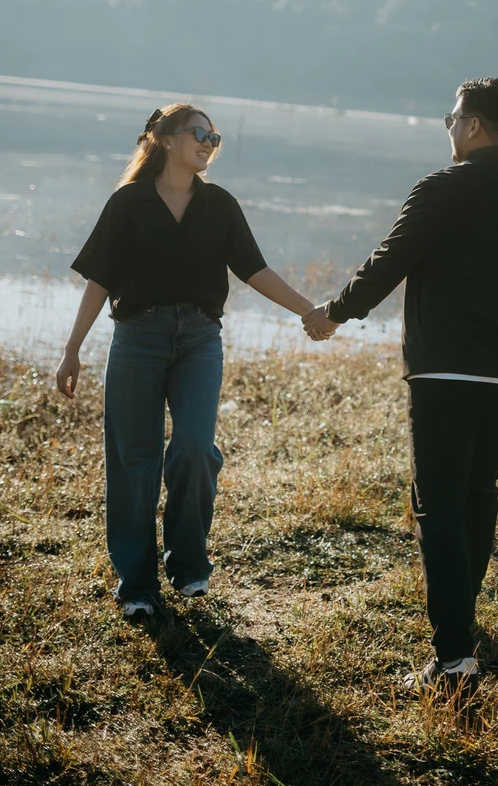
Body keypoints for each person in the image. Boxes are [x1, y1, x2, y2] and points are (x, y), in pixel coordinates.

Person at [303, 76, 498, 697]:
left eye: (453, 117)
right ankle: (462, 631)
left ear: (475, 124)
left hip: (447, 371)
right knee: (477, 493)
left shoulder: (442, 186)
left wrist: (335, 313)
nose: (449, 127)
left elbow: (389, 260)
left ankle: (453, 659)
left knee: (439, 505)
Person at [56, 102, 319, 622]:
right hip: (138, 338)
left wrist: (310, 311)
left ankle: (188, 565)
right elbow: (99, 280)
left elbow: (255, 270)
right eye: (199, 134)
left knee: (195, 450)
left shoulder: (220, 205)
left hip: (199, 339)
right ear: (166, 138)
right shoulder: (128, 203)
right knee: (134, 461)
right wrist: (72, 349)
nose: (208, 144)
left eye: (214, 137)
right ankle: (136, 585)